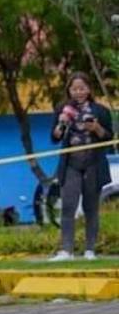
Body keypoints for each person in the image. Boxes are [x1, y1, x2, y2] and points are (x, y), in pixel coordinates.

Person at [50, 72, 113, 261]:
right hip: (71, 164)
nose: (78, 92)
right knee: (68, 205)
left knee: (90, 207)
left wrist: (97, 129)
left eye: (82, 88)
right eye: (74, 88)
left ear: (89, 89)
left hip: (93, 164)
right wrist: (61, 124)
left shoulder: (100, 111)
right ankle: (67, 251)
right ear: (69, 90)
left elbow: (109, 138)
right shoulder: (63, 109)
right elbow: (54, 138)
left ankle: (89, 250)